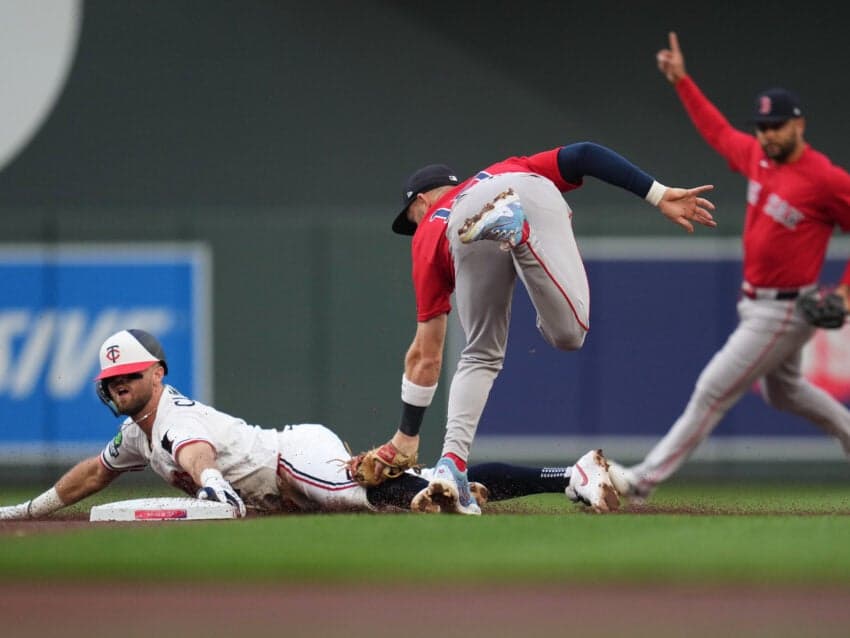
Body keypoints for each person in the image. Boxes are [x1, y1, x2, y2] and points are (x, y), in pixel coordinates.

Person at [359, 134, 717, 516]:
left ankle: (451, 463)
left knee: (479, 353)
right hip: (519, 190)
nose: (412, 227)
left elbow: (426, 357)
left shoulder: (428, 227)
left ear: (421, 201)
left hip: (460, 229)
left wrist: (407, 437)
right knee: (569, 335)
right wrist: (657, 194)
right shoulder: (505, 166)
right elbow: (585, 154)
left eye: (409, 219)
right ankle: (521, 238)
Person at [0, 329, 616, 520]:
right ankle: (570, 475)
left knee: (371, 493)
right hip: (281, 477)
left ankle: (444, 500)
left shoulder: (171, 418)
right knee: (431, 480)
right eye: (111, 383)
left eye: (128, 378)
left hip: (288, 457)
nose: (119, 389)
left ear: (156, 374)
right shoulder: (136, 432)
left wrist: (211, 481)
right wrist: (26, 512)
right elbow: (91, 474)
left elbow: (192, 451)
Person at [609, 32, 850, 502]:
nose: (767, 134)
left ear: (799, 125)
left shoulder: (825, 179)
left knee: (712, 389)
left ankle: (641, 483)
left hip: (786, 308)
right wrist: (682, 82)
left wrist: (844, 294)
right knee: (784, 392)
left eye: (776, 125)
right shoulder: (759, 158)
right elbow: (718, 131)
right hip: (755, 301)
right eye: (762, 126)